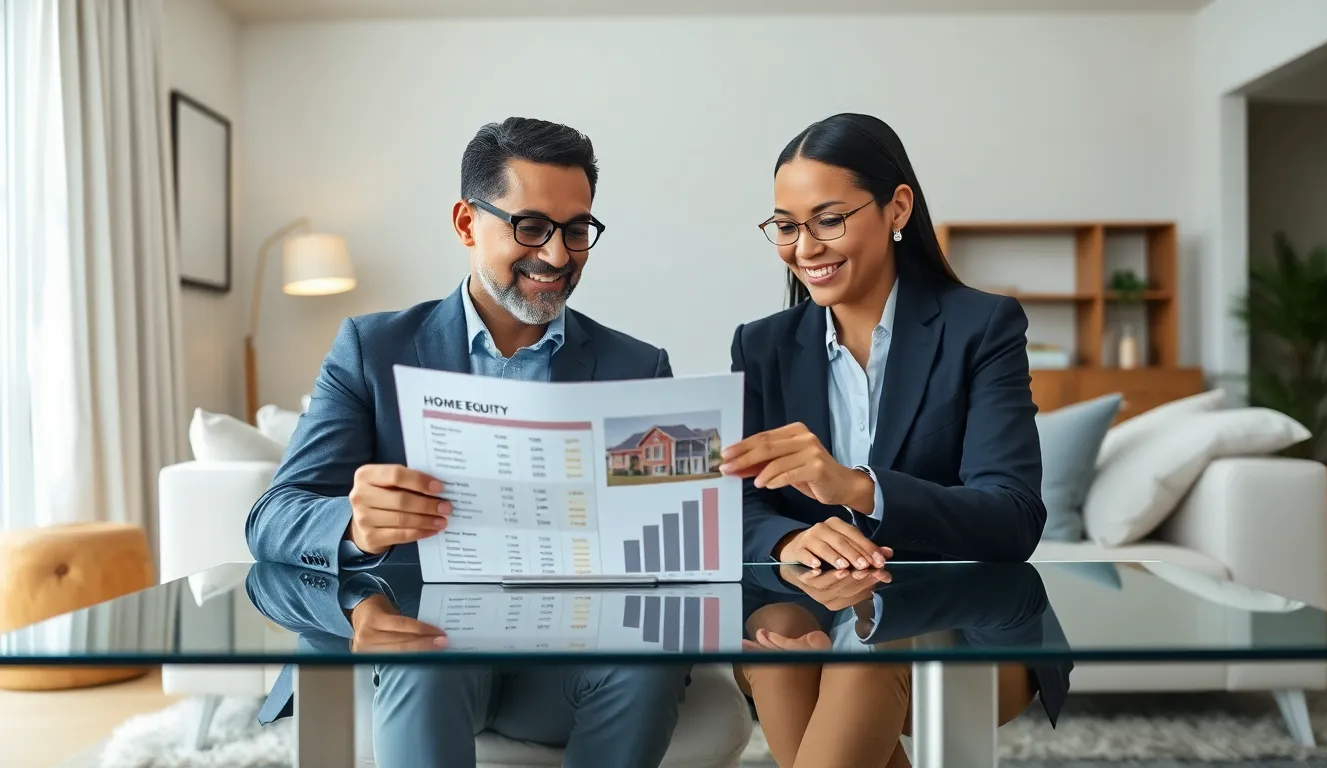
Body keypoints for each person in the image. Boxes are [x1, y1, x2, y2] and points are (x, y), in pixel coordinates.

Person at [245, 117, 688, 768]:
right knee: (427, 662)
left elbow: (670, 541)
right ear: (465, 223)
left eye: (575, 230)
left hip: (568, 659)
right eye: (530, 226)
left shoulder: (638, 367)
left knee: (647, 670)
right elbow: (272, 518)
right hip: (429, 644)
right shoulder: (373, 349)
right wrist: (355, 525)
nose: (558, 255)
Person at [719, 113, 1058, 768]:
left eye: (829, 219)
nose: (804, 247)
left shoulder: (981, 328)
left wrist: (856, 488)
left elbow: (1013, 516)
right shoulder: (760, 347)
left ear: (896, 206)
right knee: (775, 638)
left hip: (961, 621)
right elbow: (733, 503)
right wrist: (788, 539)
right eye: (786, 226)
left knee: (876, 648)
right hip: (811, 603)